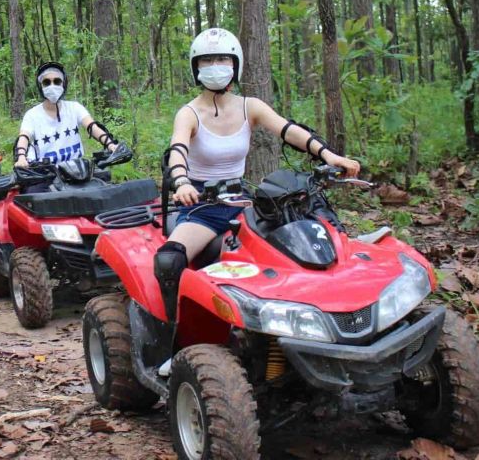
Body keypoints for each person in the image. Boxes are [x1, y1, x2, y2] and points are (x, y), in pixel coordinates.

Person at [153, 28, 361, 313]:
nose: (215, 66)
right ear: (195, 67)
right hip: (202, 203)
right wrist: (182, 181)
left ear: (235, 64)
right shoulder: (188, 113)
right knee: (169, 260)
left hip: (243, 200)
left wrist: (329, 155)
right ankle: (170, 333)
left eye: (223, 59)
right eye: (207, 60)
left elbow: (288, 130)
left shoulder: (250, 106)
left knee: (302, 244)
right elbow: (178, 150)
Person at [13, 61, 119, 168]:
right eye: (46, 82)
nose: (52, 85)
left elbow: (92, 126)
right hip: (44, 172)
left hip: (77, 168)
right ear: (40, 86)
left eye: (57, 81)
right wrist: (21, 157)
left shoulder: (74, 107)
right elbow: (24, 136)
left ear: (63, 83)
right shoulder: (32, 115)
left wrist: (110, 144)